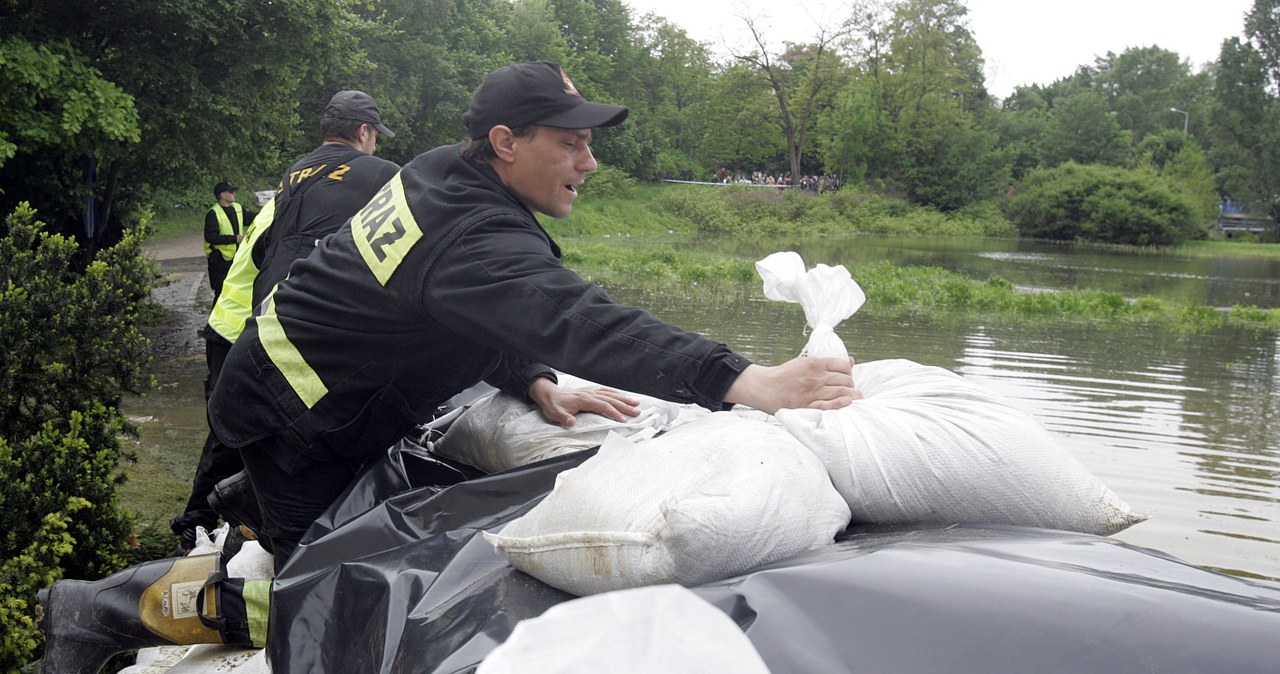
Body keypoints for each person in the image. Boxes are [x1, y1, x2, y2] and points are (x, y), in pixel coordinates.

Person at [37, 62, 858, 673]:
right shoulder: (468, 228)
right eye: (569, 143)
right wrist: (740, 379)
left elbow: (455, 306)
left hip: (326, 399)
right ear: (505, 143)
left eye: (589, 144)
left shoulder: (442, 174)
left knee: (354, 550)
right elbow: (570, 313)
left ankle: (219, 527)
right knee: (316, 592)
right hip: (297, 421)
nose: (589, 162)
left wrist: (527, 377)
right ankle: (97, 610)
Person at [168, 91, 401, 554]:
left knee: (239, 433)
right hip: (249, 327)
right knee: (241, 434)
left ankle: (223, 519)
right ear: (363, 132)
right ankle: (201, 526)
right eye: (375, 137)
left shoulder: (294, 184)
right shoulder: (346, 195)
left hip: (234, 322)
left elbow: (264, 253)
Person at [204, 182, 254, 301]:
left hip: (236, 258)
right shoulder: (213, 213)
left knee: (236, 290)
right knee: (221, 292)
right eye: (231, 192)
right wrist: (234, 239)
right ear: (223, 195)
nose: (234, 194)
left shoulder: (237, 208)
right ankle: (214, 319)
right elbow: (210, 237)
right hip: (219, 260)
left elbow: (252, 218)